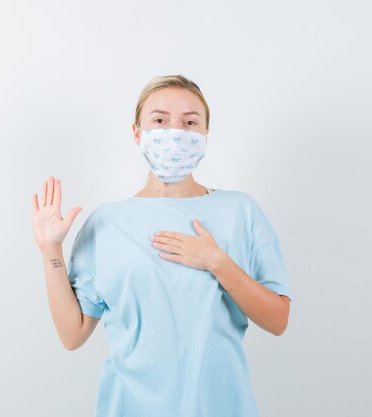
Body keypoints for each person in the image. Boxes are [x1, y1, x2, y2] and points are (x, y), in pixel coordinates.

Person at [31, 74, 294, 417]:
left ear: (204, 135)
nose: (176, 132)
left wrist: (219, 262)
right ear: (137, 132)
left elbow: (278, 320)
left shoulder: (239, 211)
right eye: (159, 120)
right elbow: (72, 334)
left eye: (189, 122)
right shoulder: (106, 224)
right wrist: (51, 251)